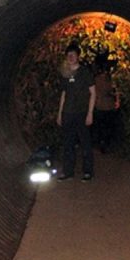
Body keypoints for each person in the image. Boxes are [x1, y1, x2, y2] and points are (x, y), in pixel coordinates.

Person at [57, 42, 96, 182]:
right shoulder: (65, 73)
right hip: (68, 113)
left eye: (73, 55)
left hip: (82, 112)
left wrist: (90, 113)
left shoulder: (84, 72)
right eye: (68, 55)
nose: (71, 57)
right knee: (68, 143)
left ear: (78, 56)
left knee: (86, 143)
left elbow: (93, 93)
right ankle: (68, 172)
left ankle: (88, 171)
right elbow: (63, 94)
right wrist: (60, 113)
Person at [94, 67, 119, 153]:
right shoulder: (107, 79)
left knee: (103, 127)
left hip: (104, 105)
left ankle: (103, 144)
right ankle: (105, 144)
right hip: (105, 105)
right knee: (105, 126)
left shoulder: (104, 79)